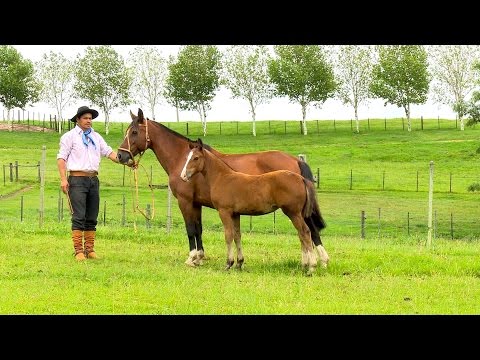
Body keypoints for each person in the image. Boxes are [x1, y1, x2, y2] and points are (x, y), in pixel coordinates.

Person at [57, 106, 119, 261]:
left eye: (90, 118)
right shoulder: (69, 137)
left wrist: (126, 161)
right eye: (85, 118)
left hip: (93, 180)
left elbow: (109, 153)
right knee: (79, 216)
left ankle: (90, 250)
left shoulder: (96, 137)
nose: (88, 121)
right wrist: (63, 179)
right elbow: (61, 159)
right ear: (78, 119)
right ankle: (78, 251)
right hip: (77, 180)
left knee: (92, 216)